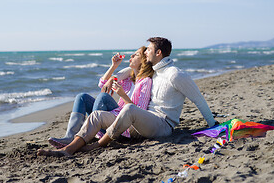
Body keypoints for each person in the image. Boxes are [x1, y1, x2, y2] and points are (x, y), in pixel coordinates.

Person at [37, 37, 216, 157]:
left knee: (129, 108)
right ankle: (69, 149)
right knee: (96, 115)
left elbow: (198, 99)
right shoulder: (153, 72)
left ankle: (98, 144)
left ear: (158, 53)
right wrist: (113, 74)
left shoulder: (175, 75)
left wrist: (214, 126)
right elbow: (125, 73)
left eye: (149, 50)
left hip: (163, 125)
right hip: (142, 121)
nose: (145, 53)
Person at [48, 46, 153, 149]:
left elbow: (139, 113)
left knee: (103, 97)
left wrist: (122, 95)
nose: (132, 55)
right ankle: (70, 137)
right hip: (111, 117)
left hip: (121, 126)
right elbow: (103, 85)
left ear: (144, 61)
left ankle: (92, 134)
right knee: (82, 97)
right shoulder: (128, 80)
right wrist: (114, 66)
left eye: (137, 54)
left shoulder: (146, 81)